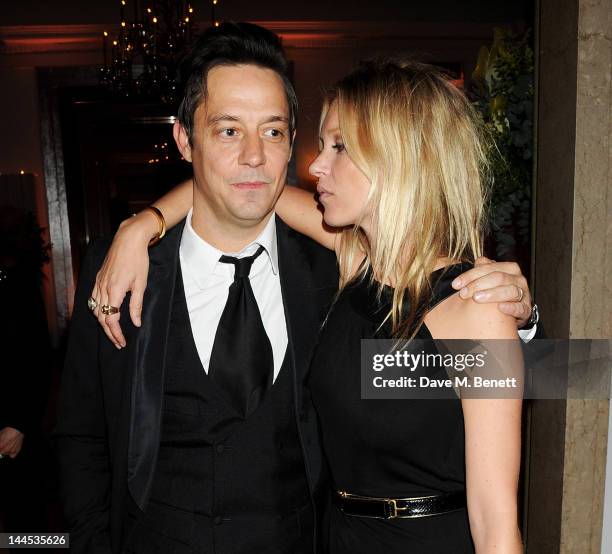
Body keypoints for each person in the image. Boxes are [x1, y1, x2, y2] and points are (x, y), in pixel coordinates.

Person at [61, 24, 536, 554]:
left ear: (396, 159)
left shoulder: (433, 295)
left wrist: (523, 322)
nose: (310, 164)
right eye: (227, 130)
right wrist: (144, 223)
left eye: (277, 133)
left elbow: (497, 520)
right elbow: (248, 189)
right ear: (184, 137)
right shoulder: (357, 266)